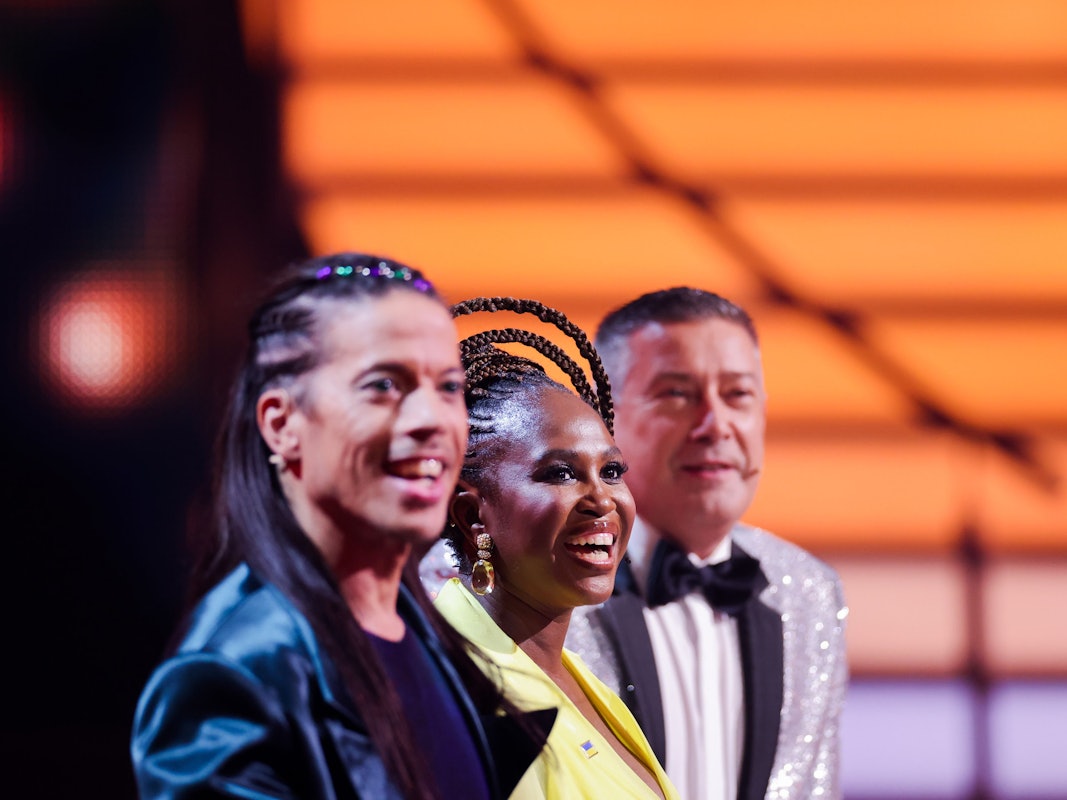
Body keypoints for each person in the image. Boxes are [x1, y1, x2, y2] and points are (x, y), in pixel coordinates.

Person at [131, 254, 550, 800]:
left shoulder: (424, 632)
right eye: (383, 385)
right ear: (283, 424)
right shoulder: (232, 673)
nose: (431, 419)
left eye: (448, 387)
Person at [566, 287, 849, 800]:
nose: (715, 424)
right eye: (677, 394)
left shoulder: (809, 589)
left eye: (737, 394)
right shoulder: (548, 582)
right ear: (603, 417)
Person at [435, 297, 680, 800]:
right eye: (561, 473)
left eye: (611, 472)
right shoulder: (461, 692)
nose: (602, 500)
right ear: (471, 515)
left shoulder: (573, 673)